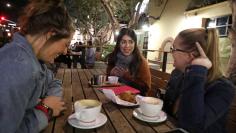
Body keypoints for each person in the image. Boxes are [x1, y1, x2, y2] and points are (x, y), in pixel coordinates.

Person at [0, 0, 75, 132]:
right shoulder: (19, 66)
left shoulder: (36, 60)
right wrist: (45, 110)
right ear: (51, 34)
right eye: (66, 44)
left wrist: (50, 101)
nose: (65, 51)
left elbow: (54, 82)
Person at [163, 28, 235, 133]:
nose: (171, 52)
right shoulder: (178, 74)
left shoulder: (223, 89)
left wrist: (197, 70)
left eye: (173, 49)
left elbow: (192, 126)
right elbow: (169, 110)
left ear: (190, 55)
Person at [106, 28, 151, 96]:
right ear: (118, 44)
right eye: (123, 42)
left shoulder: (141, 61)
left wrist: (128, 76)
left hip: (135, 99)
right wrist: (110, 73)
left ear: (135, 44)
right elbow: (107, 82)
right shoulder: (113, 58)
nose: (127, 46)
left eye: (131, 42)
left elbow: (146, 88)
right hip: (115, 96)